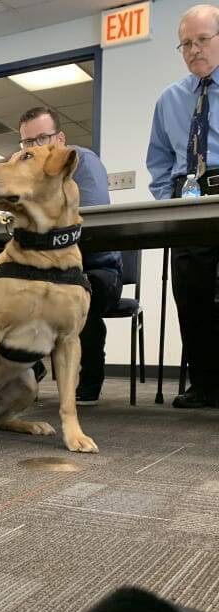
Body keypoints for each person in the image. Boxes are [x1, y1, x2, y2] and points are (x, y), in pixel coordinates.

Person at [18, 107, 123, 406]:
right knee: (10, 291)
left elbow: (85, 223)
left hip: (96, 266)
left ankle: (90, 379)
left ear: (60, 138)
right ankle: (23, 373)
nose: (34, 148)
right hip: (46, 267)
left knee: (77, 291)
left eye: (42, 138)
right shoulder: (26, 175)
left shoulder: (81, 162)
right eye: (27, 143)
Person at [147, 4, 219, 409]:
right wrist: (168, 200)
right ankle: (206, 385)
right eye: (186, 44)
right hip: (186, 202)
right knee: (190, 294)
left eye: (202, 40)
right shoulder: (169, 99)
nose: (194, 50)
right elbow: (158, 159)